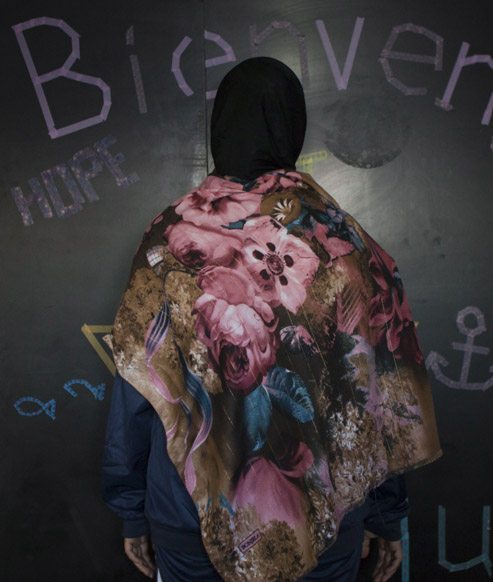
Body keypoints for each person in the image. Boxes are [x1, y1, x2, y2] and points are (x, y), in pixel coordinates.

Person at [102, 57, 441, 582]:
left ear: (220, 125)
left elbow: (137, 385)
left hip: (188, 519)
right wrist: (383, 512)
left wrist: (131, 508)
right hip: (326, 518)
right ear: (291, 126)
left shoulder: (167, 238)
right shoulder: (341, 239)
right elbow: (377, 385)